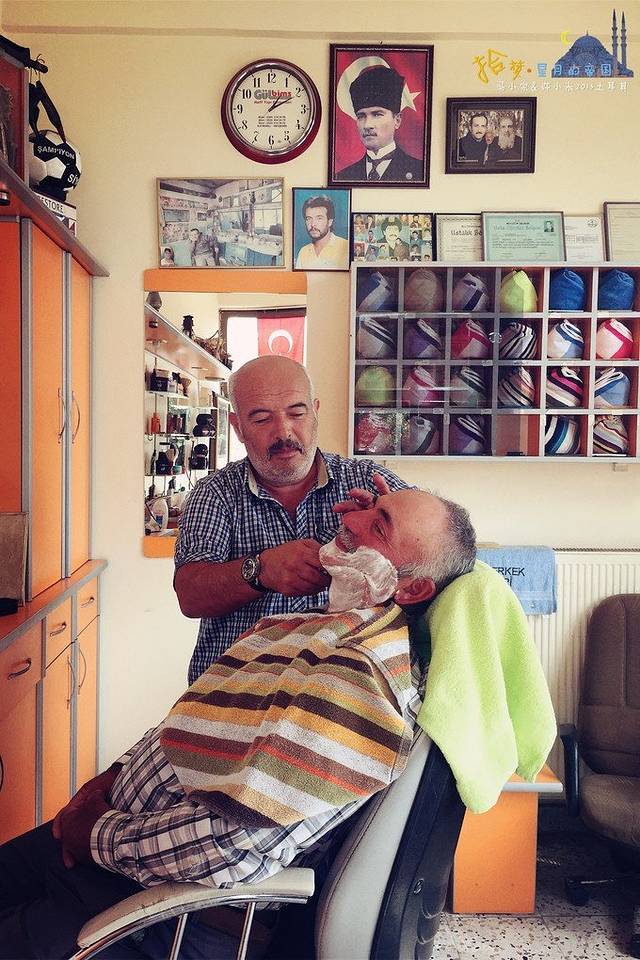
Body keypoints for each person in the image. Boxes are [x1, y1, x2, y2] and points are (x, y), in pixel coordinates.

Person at [0, 489, 477, 960]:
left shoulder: (356, 682)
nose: (350, 520)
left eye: (379, 524)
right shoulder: (323, 629)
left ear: (412, 590)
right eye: (368, 507)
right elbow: (199, 716)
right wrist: (115, 774)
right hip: (103, 841)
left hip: (149, 905)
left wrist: (97, 837)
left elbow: (231, 848)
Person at [174, 355, 409, 683]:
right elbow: (190, 595)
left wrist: (389, 530)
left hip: (347, 692)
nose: (284, 432)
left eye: (297, 413)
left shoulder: (369, 481)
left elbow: (444, 557)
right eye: (261, 419)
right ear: (237, 427)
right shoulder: (215, 494)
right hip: (235, 691)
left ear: (315, 412)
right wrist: (260, 570)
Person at [334, 64, 423, 183]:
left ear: (397, 120)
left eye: (377, 114)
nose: (367, 125)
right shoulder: (343, 176)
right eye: (361, 116)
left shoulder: (418, 171)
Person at [295, 194, 349, 270]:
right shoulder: (303, 252)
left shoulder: (346, 247)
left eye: (319, 218)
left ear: (330, 222)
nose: (313, 224)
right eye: (309, 218)